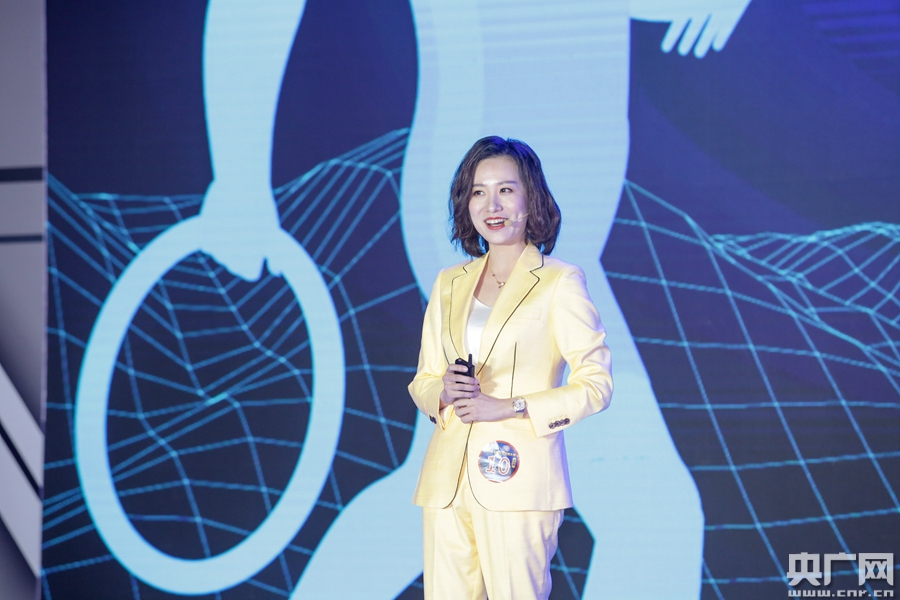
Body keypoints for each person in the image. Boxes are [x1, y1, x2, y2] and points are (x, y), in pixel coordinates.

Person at [408, 136, 614, 600]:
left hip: (519, 478)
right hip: (446, 481)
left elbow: (596, 384)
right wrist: (444, 390)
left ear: (530, 197)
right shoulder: (449, 282)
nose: (492, 205)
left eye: (505, 189)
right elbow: (423, 380)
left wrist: (509, 406)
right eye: (478, 192)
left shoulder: (559, 281)